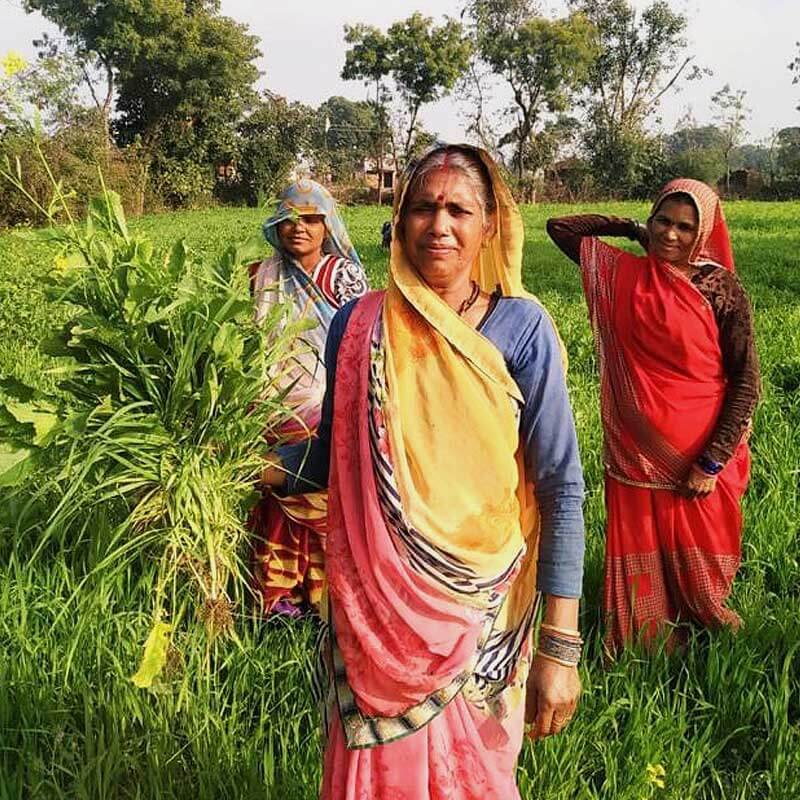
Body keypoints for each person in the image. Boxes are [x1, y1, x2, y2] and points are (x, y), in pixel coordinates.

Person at [262, 145, 586, 799]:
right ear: (399, 221)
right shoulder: (357, 324)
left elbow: (561, 483)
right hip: (374, 613)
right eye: (422, 208)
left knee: (478, 775)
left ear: (490, 224)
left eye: (459, 209)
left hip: (483, 610)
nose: (439, 225)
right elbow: (335, 455)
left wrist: (561, 644)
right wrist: (252, 467)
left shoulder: (522, 328)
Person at [546, 179, 760, 653]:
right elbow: (560, 228)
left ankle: (710, 626)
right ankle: (646, 639)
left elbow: (746, 380)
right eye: (663, 221)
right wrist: (628, 227)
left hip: (700, 456)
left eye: (686, 227)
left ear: (703, 232)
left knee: (701, 567)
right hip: (635, 456)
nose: (671, 235)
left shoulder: (719, 287)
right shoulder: (625, 273)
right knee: (643, 547)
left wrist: (712, 461)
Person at [249, 179, 368, 617]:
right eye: (290, 219)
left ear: (327, 226)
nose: (299, 228)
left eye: (312, 220)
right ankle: (280, 596)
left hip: (324, 402)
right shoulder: (260, 275)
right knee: (272, 489)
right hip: (269, 403)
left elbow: (359, 339)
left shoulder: (341, 274)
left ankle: (323, 596)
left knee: (317, 489)